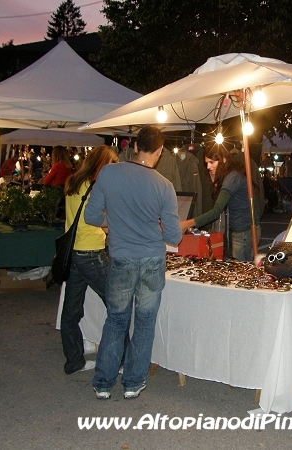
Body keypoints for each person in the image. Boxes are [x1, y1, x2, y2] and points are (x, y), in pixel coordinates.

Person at [85, 125, 181, 400]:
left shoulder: (109, 173)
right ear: (160, 151)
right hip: (152, 259)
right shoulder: (164, 185)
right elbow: (173, 237)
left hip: (121, 258)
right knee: (145, 322)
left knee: (115, 320)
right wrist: (159, 226)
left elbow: (92, 216)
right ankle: (133, 383)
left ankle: (103, 382)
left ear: (136, 145)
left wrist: (114, 222)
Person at [61, 145, 117, 375]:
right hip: (91, 253)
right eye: (112, 163)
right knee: (117, 307)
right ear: (102, 164)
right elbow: (97, 220)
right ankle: (117, 360)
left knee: (70, 313)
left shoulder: (73, 182)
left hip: (74, 252)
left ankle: (74, 361)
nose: (114, 168)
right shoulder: (97, 187)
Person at [180, 145, 261, 262]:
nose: (208, 166)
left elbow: (216, 211)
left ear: (223, 159)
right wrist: (215, 182)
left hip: (244, 232)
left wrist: (187, 224)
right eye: (207, 162)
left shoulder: (232, 178)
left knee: (240, 270)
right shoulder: (230, 175)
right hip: (242, 230)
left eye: (212, 162)